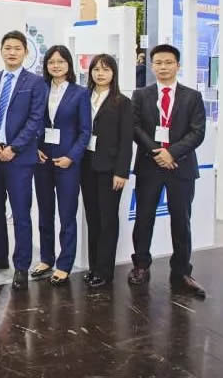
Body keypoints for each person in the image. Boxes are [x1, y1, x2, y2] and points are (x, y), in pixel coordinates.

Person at [129, 44, 207, 298]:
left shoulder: (192, 97)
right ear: (152, 66)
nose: (163, 67)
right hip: (149, 166)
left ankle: (182, 271)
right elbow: (135, 128)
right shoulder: (141, 95)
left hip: (181, 167)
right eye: (158, 63)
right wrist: (157, 152)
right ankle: (141, 265)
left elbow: (197, 132)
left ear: (177, 65)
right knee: (143, 218)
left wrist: (172, 153)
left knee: (181, 220)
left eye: (168, 62)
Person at [0, 30, 47, 291]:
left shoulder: (35, 82)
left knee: (20, 214)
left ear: (25, 52)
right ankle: (0, 256)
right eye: (7, 48)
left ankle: (21, 266)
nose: (12, 52)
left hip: (19, 160)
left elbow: (35, 120)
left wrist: (14, 148)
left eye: (17, 48)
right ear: (1, 50)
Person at [32, 45, 90, 286]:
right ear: (46, 65)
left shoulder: (80, 93)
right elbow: (33, 121)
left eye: (61, 61)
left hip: (68, 163)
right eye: (51, 62)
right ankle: (46, 258)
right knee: (45, 212)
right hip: (42, 161)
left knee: (67, 215)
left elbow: (85, 131)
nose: (56, 66)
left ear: (69, 64)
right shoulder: (40, 88)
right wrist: (34, 149)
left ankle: (65, 264)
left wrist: (72, 157)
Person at [80, 54, 133, 289]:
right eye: (96, 69)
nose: (100, 74)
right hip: (86, 165)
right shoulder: (83, 97)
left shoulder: (122, 102)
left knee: (108, 219)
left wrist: (122, 172)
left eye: (105, 69)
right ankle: (93, 267)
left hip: (110, 169)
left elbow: (126, 140)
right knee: (92, 218)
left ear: (114, 73)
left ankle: (105, 271)